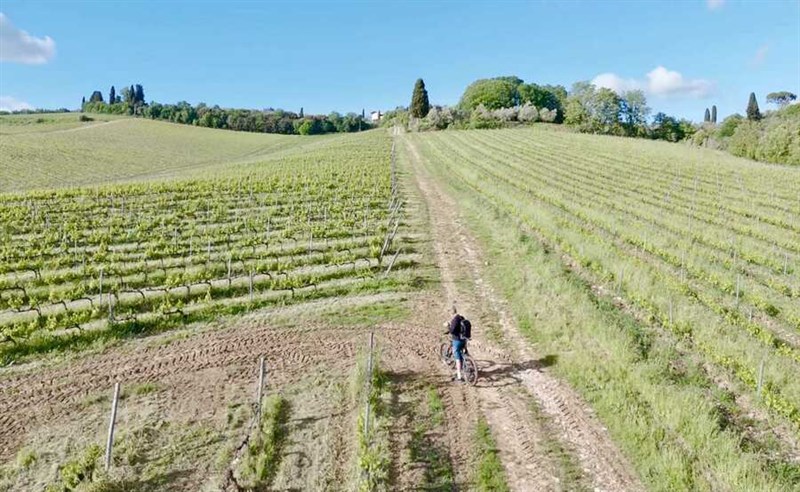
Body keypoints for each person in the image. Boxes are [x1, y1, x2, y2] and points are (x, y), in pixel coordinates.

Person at [443, 306, 465, 382]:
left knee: (457, 358)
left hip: (457, 340)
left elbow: (452, 330)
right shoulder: (461, 317)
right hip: (464, 340)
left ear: (451, 312)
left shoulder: (454, 320)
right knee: (462, 354)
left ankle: (459, 377)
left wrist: (448, 326)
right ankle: (467, 364)